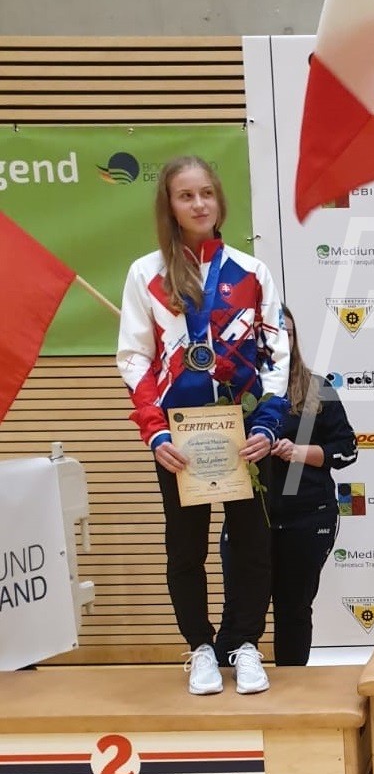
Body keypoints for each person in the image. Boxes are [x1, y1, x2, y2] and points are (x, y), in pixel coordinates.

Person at [117, 155, 289, 695]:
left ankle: (245, 645)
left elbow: (275, 354)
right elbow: (134, 358)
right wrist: (155, 431)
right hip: (179, 437)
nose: (198, 204)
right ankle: (200, 648)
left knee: (252, 542)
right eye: (186, 195)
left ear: (219, 199)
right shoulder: (146, 274)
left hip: (243, 434)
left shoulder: (251, 271)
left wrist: (267, 423)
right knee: (186, 547)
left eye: (206, 193)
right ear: (169, 205)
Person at [222, 305, 358, 665]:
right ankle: (222, 688)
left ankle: (293, 691)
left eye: (286, 335)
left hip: (306, 518)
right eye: (266, 335)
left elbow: (347, 450)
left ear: (294, 341)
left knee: (293, 610)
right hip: (248, 516)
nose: (276, 342)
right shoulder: (230, 390)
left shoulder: (316, 389)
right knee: (237, 611)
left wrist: (299, 452)